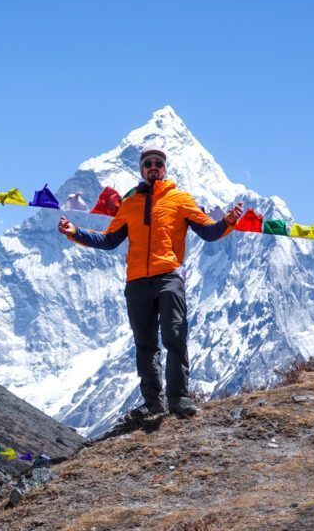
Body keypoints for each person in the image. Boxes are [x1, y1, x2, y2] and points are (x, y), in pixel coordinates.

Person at [58, 148, 244, 419]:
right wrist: (75, 233)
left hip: (169, 276)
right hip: (136, 281)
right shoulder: (129, 203)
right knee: (145, 343)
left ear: (165, 168)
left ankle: (179, 398)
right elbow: (110, 241)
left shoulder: (180, 199)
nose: (153, 167)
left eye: (158, 163)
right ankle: (152, 402)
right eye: (148, 164)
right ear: (142, 169)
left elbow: (208, 231)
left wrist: (227, 222)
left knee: (174, 336)